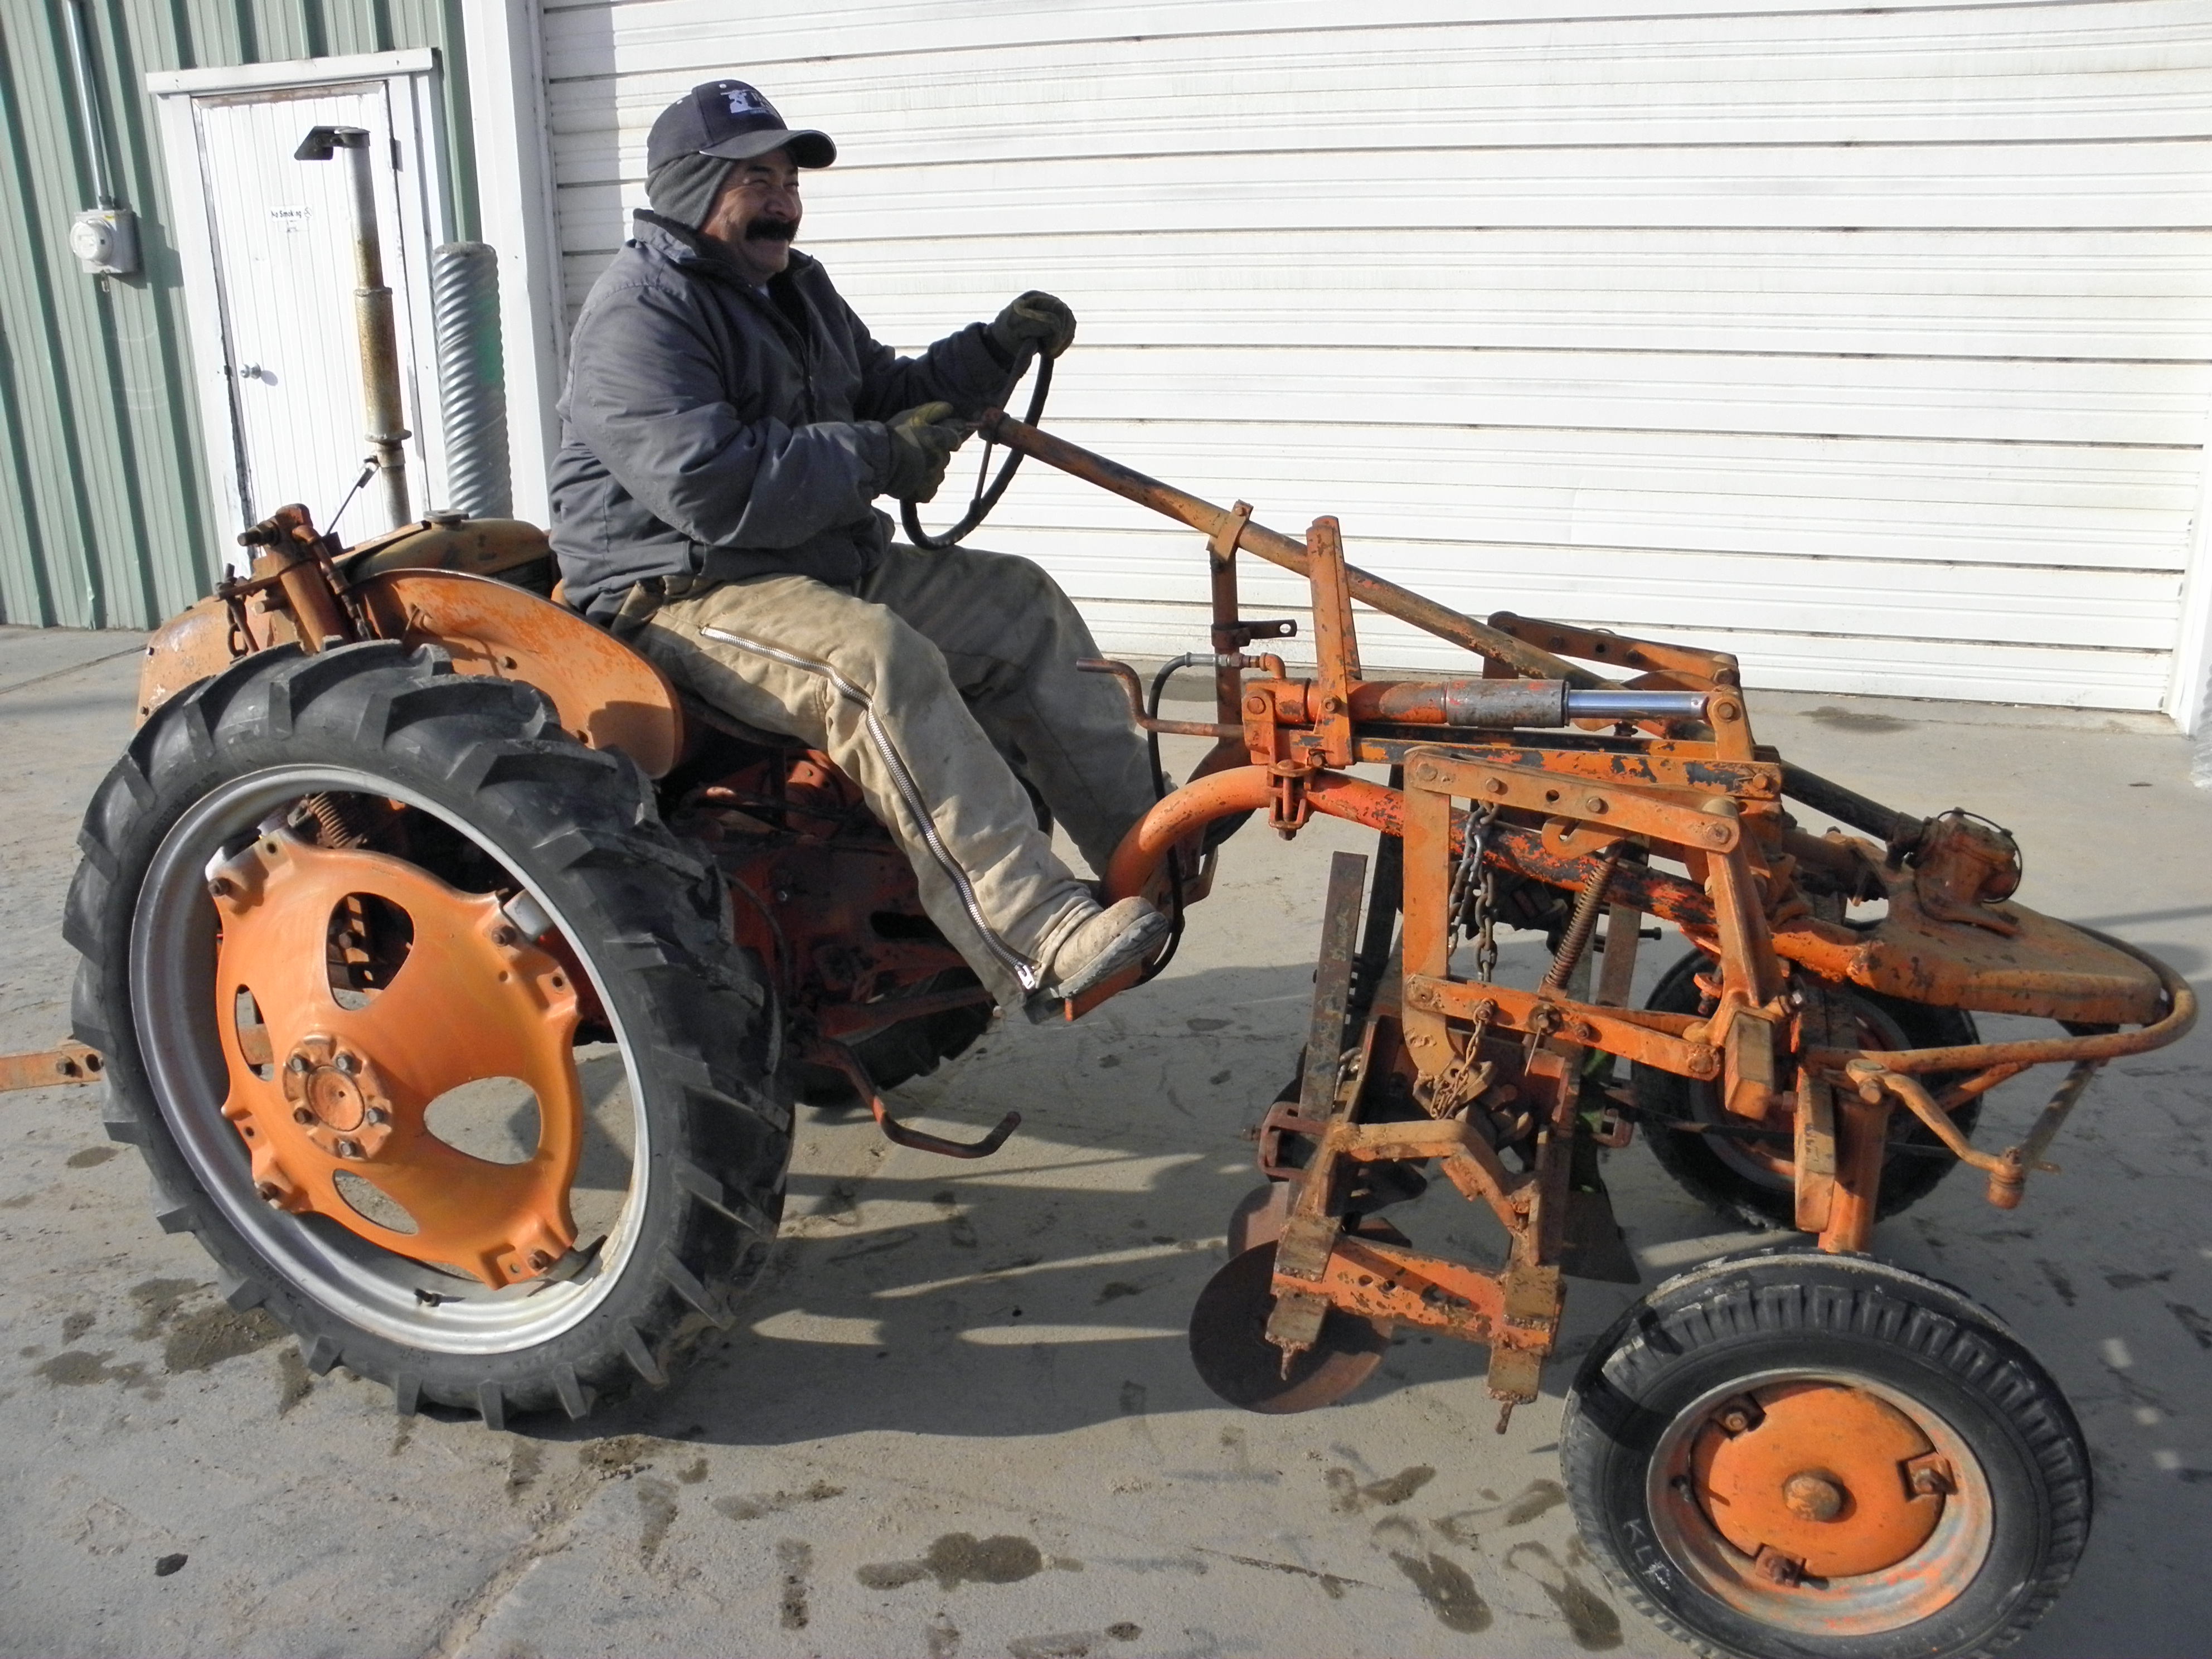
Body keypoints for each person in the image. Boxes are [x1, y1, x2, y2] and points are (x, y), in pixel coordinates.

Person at [549, 80, 1167, 1021]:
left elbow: (885, 394)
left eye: (790, 178)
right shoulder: (640, 312)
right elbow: (711, 486)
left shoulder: (794, 290)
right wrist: (883, 454)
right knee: (876, 663)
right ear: (685, 189)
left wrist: (990, 353)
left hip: (807, 562)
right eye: (756, 176)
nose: (785, 198)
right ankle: (1036, 939)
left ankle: (1152, 852)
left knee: (1020, 606)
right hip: (679, 592)